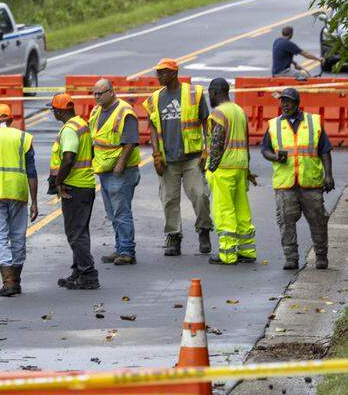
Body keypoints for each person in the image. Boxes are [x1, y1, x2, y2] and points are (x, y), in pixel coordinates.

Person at [143, 58, 213, 257]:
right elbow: (154, 130)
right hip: (168, 160)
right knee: (169, 199)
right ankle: (174, 236)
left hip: (192, 157)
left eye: (163, 73)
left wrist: (207, 150)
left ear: (174, 73)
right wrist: (156, 154)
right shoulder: (154, 99)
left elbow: (206, 123)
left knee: (200, 195)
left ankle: (204, 231)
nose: (159, 76)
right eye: (157, 73)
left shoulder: (193, 93)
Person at [261, 87, 335, 270]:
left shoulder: (313, 122)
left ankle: (321, 255)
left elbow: (324, 150)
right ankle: (291, 258)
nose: (285, 105)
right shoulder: (274, 125)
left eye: (289, 101)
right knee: (286, 222)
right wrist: (275, 156)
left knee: (318, 221)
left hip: (310, 183)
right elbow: (265, 150)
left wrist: (329, 175)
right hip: (285, 184)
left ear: (297, 103)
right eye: (282, 101)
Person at [0, 104, 38, 297]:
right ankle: (16, 281)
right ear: (11, 119)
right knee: (18, 235)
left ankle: (8, 282)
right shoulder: (23, 138)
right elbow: (31, 171)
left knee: (0, 237)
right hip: (18, 191)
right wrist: (34, 201)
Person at [204, 78, 258, 265]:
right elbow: (246, 142)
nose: (209, 96)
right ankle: (247, 250)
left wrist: (211, 167)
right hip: (240, 167)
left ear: (214, 92)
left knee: (223, 210)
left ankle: (227, 254)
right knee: (242, 209)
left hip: (224, 169)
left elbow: (217, 142)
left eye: (209, 93)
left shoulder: (219, 113)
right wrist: (248, 170)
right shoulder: (239, 111)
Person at [49, 93, 99, 289]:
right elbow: (91, 152)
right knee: (80, 231)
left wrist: (59, 181)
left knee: (75, 233)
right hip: (84, 185)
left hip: (75, 187)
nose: (53, 113)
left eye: (53, 109)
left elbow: (69, 157)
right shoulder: (81, 124)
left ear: (60, 111)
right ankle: (78, 271)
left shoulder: (69, 129)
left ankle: (88, 274)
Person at [89, 79, 142, 265]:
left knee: (121, 211)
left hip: (121, 171)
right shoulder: (96, 111)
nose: (97, 97)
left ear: (111, 92)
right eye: (94, 93)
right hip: (104, 170)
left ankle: (127, 250)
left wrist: (120, 165)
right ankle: (120, 247)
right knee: (112, 212)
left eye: (100, 93)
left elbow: (130, 142)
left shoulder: (124, 112)